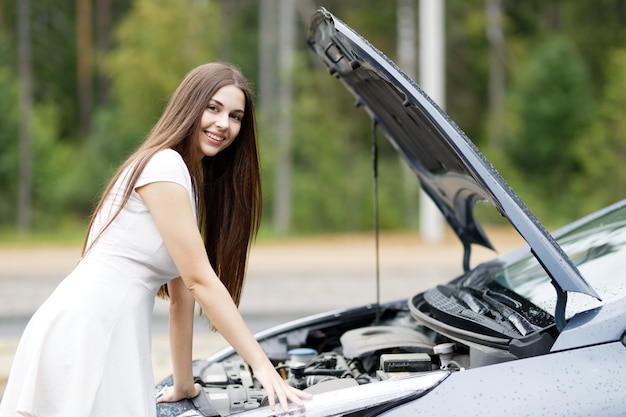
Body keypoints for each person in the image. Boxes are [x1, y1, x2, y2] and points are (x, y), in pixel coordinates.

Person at [0, 63, 311, 417]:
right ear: (189, 106)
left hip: (104, 328)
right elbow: (199, 281)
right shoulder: (165, 166)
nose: (224, 124)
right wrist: (262, 367)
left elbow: (182, 297)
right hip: (90, 330)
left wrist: (184, 384)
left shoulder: (183, 179)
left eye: (236, 116)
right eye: (213, 108)